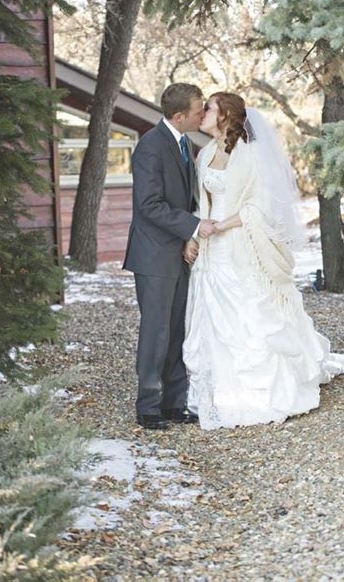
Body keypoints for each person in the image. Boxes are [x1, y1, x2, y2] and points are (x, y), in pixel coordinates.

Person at [183, 92, 344, 430]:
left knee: (252, 314)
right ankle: (221, 391)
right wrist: (196, 234)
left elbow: (259, 204)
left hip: (240, 240)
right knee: (215, 316)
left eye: (210, 108)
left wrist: (224, 225)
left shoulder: (248, 154)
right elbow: (203, 204)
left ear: (226, 116)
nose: (203, 113)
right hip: (211, 247)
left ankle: (262, 391)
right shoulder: (205, 154)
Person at [123, 83, 217, 430]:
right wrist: (194, 226)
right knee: (156, 332)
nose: (203, 113)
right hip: (152, 256)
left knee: (177, 329)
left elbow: (182, 198)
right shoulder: (150, 146)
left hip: (177, 252)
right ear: (179, 115)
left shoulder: (184, 143)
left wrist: (187, 237)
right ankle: (148, 408)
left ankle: (174, 403)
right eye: (198, 109)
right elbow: (149, 205)